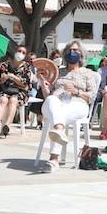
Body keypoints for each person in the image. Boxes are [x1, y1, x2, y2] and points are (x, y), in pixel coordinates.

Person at [39, 41, 99, 172]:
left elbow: (92, 96)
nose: (73, 53)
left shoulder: (87, 73)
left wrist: (77, 91)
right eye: (70, 50)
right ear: (65, 54)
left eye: (76, 50)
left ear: (81, 54)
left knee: (59, 116)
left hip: (78, 104)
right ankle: (60, 130)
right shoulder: (57, 72)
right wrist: (44, 85)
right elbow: (48, 96)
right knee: (51, 99)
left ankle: (54, 159)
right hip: (56, 104)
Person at [0, 47, 32, 138]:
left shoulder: (26, 67)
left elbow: (25, 84)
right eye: (19, 51)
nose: (20, 53)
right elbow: (0, 82)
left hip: (20, 91)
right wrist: (4, 78)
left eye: (23, 52)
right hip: (5, 89)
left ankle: (7, 125)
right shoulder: (5, 65)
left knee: (13, 100)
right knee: (3, 99)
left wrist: (13, 77)